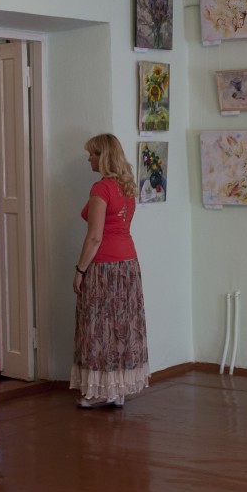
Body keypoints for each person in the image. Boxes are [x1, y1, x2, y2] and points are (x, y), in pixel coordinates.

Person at [70, 133, 150, 408]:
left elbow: (94, 238)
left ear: (102, 156)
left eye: (92, 153)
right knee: (121, 326)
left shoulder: (101, 188)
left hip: (104, 266)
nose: (88, 158)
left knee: (99, 326)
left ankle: (102, 391)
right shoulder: (126, 187)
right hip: (128, 264)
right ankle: (116, 390)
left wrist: (80, 270)